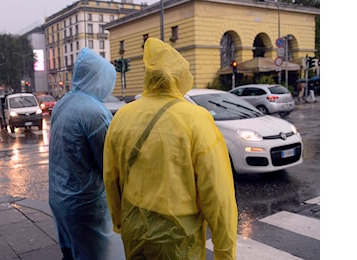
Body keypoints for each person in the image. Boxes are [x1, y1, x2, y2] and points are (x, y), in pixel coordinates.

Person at [103, 37, 238, 259]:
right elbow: (217, 192)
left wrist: (120, 221)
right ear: (181, 77)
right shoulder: (196, 119)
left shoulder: (122, 117)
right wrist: (225, 251)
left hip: (134, 228)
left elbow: (110, 177)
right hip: (178, 238)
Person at [48, 47, 125, 260]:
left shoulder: (63, 103)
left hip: (60, 199)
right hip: (86, 206)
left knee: (71, 253)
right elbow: (109, 164)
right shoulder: (94, 113)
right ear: (99, 79)